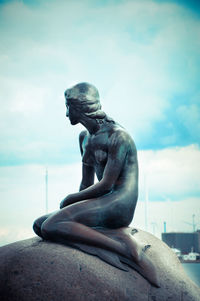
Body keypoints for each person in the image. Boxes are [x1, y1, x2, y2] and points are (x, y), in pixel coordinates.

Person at [33, 83, 158, 286]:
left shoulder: (118, 136)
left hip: (119, 202)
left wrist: (69, 200)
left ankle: (124, 249)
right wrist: (73, 207)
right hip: (103, 200)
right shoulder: (84, 138)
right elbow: (86, 184)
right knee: (40, 225)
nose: (66, 114)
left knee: (52, 225)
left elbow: (107, 184)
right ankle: (107, 236)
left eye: (68, 107)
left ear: (80, 108)